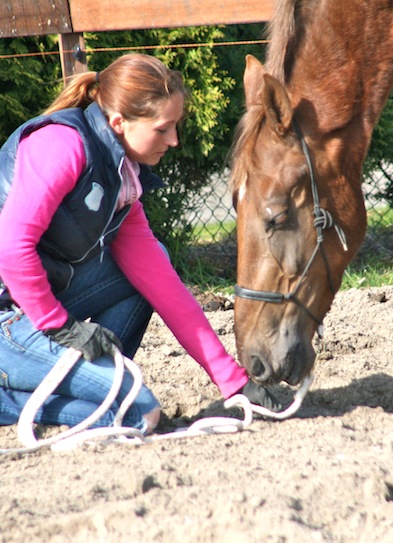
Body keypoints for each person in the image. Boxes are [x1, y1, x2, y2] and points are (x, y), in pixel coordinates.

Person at [0, 53, 281, 434]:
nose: (175, 140)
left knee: (150, 269)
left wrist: (232, 380)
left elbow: (162, 284)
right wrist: (62, 327)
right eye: (163, 128)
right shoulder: (61, 145)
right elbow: (11, 248)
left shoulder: (122, 180)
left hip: (27, 312)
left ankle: (95, 382)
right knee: (139, 413)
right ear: (119, 122)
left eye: (175, 127)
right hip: (11, 319)